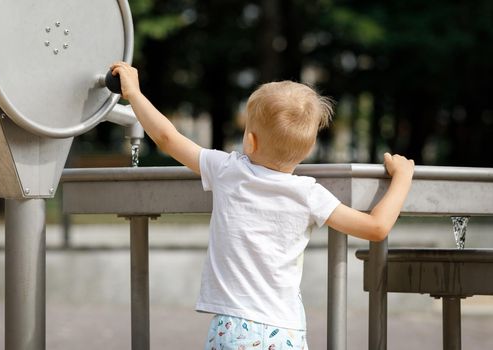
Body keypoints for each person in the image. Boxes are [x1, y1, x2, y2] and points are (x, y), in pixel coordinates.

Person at [111, 62, 415, 350]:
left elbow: (167, 137)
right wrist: (402, 177)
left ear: (250, 142)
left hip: (232, 328)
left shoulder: (228, 171)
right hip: (284, 330)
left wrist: (134, 94)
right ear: (307, 149)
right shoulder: (309, 194)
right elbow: (376, 227)